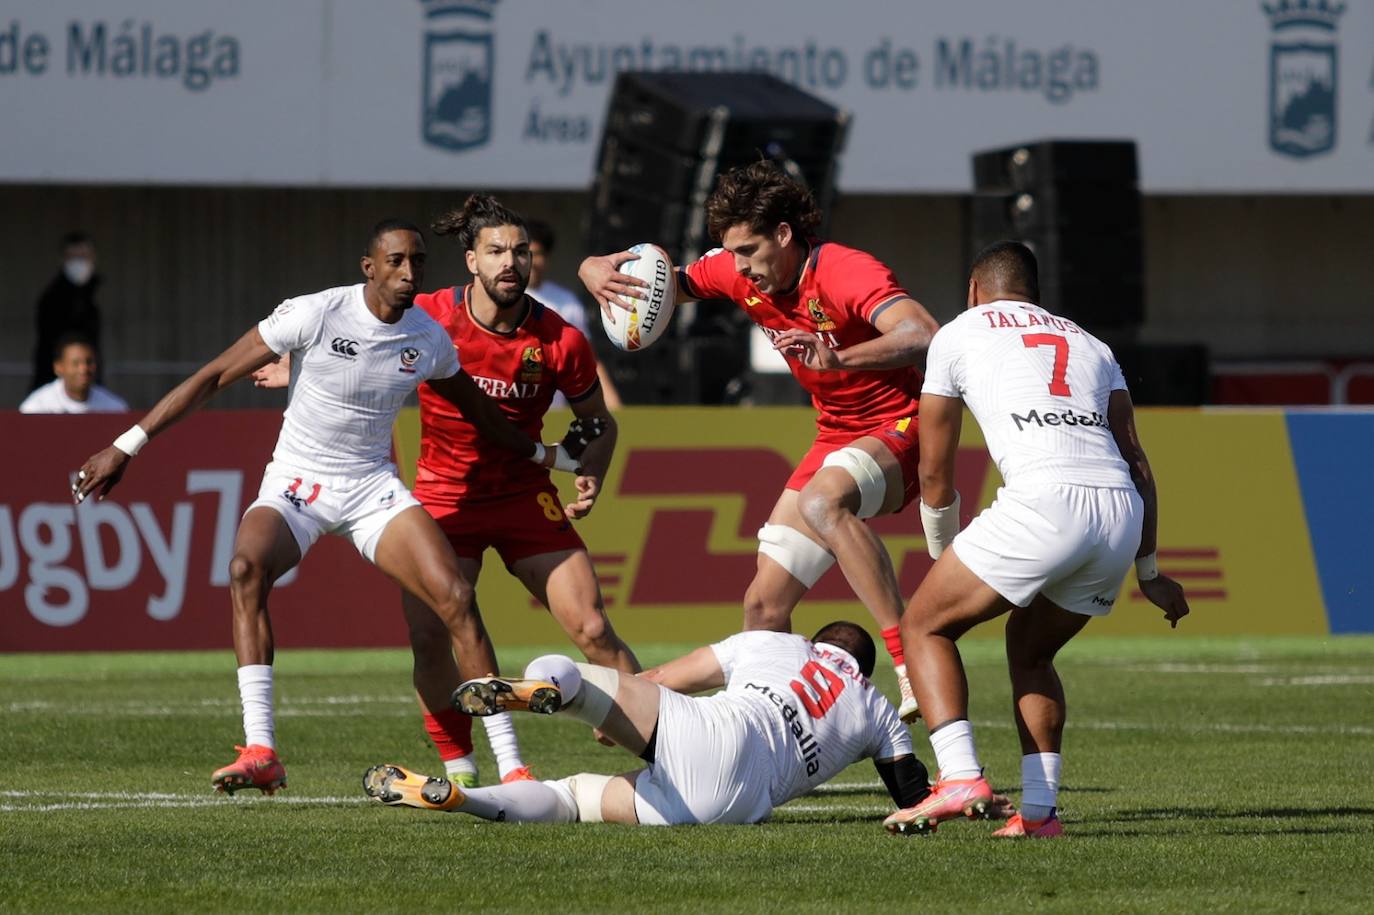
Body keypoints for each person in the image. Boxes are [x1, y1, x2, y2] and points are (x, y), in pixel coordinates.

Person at [72, 219, 583, 795]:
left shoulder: (427, 338)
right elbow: (214, 375)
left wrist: (551, 456)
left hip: (371, 490)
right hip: (298, 485)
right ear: (369, 268)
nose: (408, 273)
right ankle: (262, 750)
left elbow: (483, 416)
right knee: (246, 569)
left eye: (417, 262)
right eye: (395, 261)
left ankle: (513, 768)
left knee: (457, 599)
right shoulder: (315, 313)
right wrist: (125, 445)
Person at [252, 198, 639, 787]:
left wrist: (593, 468)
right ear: (472, 262)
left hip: (522, 498)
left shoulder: (560, 339)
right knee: (430, 638)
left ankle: (665, 744)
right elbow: (351, 327)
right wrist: (301, 366)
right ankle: (463, 767)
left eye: (521, 252)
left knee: (591, 629)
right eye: (496, 252)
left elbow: (599, 421)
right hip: (442, 498)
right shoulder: (429, 313)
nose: (511, 263)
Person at [579, 161, 941, 722]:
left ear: (784, 234)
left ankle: (908, 657)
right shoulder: (734, 269)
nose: (740, 267)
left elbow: (923, 333)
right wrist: (592, 268)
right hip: (836, 435)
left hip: (902, 424)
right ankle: (766, 738)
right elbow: (664, 286)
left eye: (749, 250)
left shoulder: (846, 271)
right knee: (762, 607)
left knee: (824, 502)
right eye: (732, 253)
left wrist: (838, 356)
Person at [883, 241, 1192, 839]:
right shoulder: (1092, 343)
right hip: (1118, 513)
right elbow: (1137, 461)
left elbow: (934, 471)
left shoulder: (959, 332)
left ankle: (959, 777)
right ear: (1037, 295)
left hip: (1046, 503)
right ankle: (1040, 814)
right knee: (1031, 650)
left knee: (925, 625)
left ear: (974, 289)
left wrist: (943, 551)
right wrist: (1149, 571)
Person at [363, 621, 950, 825]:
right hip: (736, 808)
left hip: (719, 733)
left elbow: (673, 676)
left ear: (816, 641)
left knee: (578, 675)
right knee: (574, 799)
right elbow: (911, 794)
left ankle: (549, 688)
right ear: (864, 671)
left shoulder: (778, 643)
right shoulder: (876, 709)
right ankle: (462, 800)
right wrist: (955, 799)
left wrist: (617, 710)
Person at [525, 219, 622, 409]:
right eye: (527, 254)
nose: (533, 262)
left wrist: (614, 404)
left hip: (552, 414)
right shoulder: (503, 299)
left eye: (539, 254)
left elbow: (588, 359)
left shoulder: (567, 302)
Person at [32, 232, 104, 392]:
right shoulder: (52, 298)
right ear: (63, 260)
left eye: (84, 256)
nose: (79, 262)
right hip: (54, 384)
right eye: (73, 257)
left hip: (89, 387)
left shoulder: (91, 296)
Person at [20, 333, 128, 413]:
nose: (83, 369)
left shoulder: (115, 408)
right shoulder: (36, 407)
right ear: (58, 367)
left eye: (89, 362)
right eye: (75, 363)